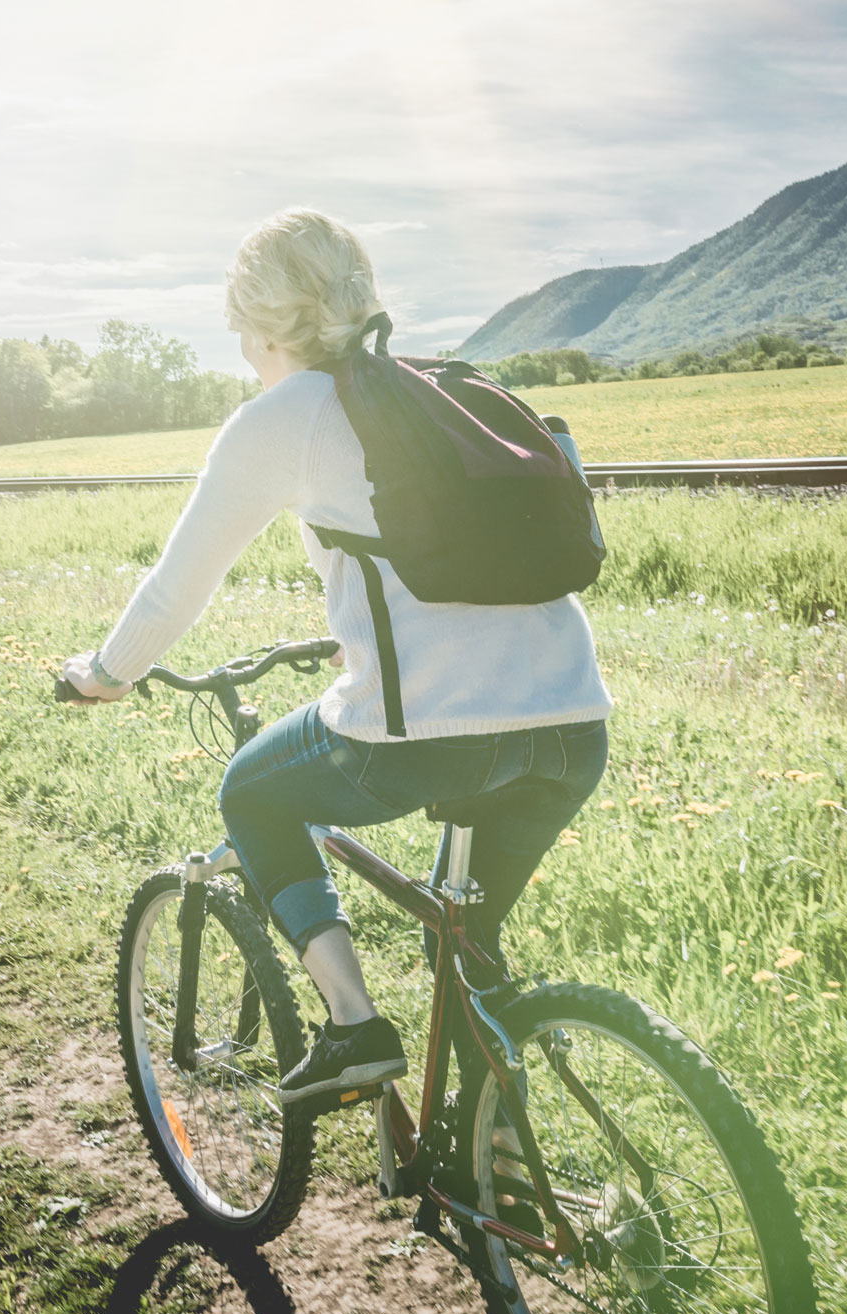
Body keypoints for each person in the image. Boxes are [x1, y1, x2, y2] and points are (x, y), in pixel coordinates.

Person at [61, 210, 610, 1110]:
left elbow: (175, 589)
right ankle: (499, 1168)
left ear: (268, 325)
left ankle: (354, 1027)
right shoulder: (447, 390)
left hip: (433, 732)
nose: (242, 347)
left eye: (242, 327)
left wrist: (105, 673)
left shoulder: (287, 414)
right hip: (573, 723)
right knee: (468, 948)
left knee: (252, 791)